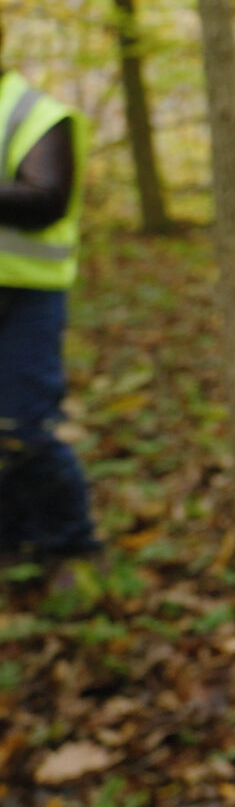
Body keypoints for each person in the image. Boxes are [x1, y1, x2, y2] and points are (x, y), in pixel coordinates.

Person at [0, 58, 99, 575]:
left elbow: (47, 199)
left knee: (23, 427)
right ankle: (14, 545)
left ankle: (71, 548)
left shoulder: (35, 113)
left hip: (22, 298)